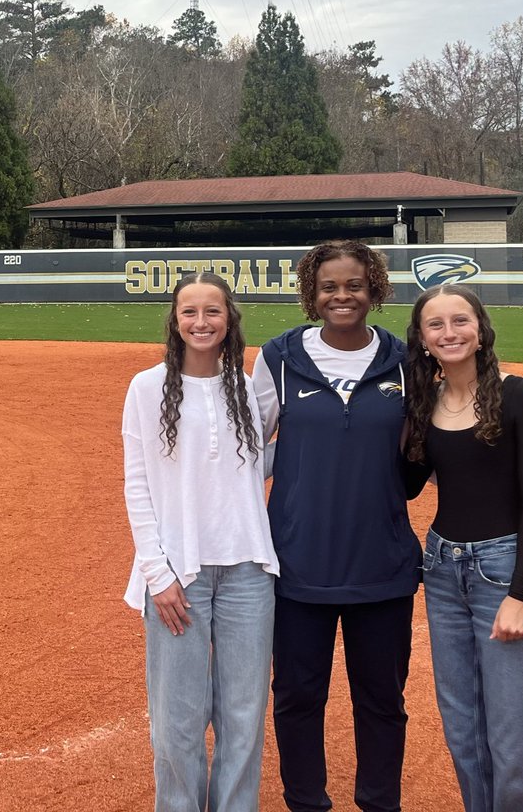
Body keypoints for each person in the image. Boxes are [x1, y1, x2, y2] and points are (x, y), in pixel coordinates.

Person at [252, 240, 421, 812]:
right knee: (297, 698)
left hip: (382, 564)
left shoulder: (405, 360)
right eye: (329, 286)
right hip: (299, 563)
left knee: (381, 701)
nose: (341, 296)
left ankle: (380, 803)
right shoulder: (277, 358)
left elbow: (434, 442)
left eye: (353, 284)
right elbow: (251, 451)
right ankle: (306, 802)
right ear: (311, 293)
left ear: (374, 288)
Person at [122, 271, 278, 812]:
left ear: (230, 318)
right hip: (178, 575)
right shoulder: (145, 387)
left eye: (213, 311)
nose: (201, 322)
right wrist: (156, 574)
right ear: (175, 320)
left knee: (243, 720)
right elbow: (137, 483)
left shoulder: (251, 386)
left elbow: (266, 459)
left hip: (249, 573)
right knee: (176, 725)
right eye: (189, 312)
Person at [404, 284, 523, 812]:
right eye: (436, 325)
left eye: (460, 321)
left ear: (479, 328)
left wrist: (521, 594)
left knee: (516, 737)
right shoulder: (426, 402)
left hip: (501, 569)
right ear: (422, 339)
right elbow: (407, 483)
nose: (449, 333)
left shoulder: (520, 394)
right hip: (443, 571)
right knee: (465, 730)